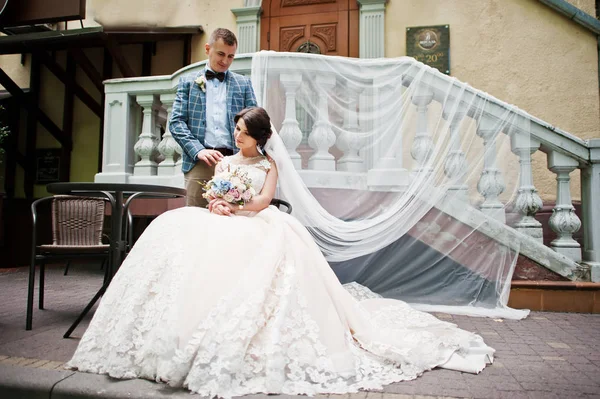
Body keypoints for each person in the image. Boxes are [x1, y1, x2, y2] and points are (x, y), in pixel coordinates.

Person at [67, 107, 494, 398]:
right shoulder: (226, 163)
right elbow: (214, 193)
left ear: (258, 137)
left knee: (257, 248)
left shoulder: (268, 166)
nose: (236, 136)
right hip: (221, 218)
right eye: (235, 130)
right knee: (171, 229)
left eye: (242, 132)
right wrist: (217, 202)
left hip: (255, 222)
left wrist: (234, 206)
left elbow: (262, 203)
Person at [170, 28, 257, 207]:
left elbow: (254, 122)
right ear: (208, 49)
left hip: (235, 162)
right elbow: (176, 122)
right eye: (221, 54)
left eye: (231, 56)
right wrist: (198, 150)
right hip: (199, 162)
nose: (225, 61)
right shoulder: (187, 82)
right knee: (196, 219)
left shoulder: (243, 83)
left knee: (233, 219)